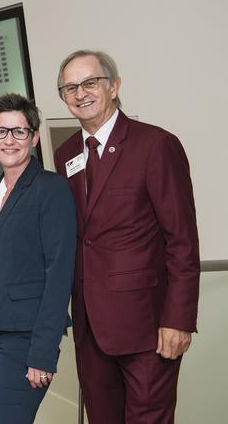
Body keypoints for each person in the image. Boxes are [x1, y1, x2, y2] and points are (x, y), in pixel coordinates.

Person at [53, 50, 200, 424]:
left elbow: (182, 240)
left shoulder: (155, 145)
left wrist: (179, 319)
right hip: (90, 328)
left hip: (147, 328)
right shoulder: (65, 153)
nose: (80, 93)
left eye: (90, 82)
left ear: (114, 87)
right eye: (70, 87)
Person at [0, 93, 77, 423]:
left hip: (22, 337)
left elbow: (59, 275)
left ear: (34, 137)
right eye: (1, 131)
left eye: (19, 131)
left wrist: (43, 352)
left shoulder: (51, 190)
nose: (9, 140)